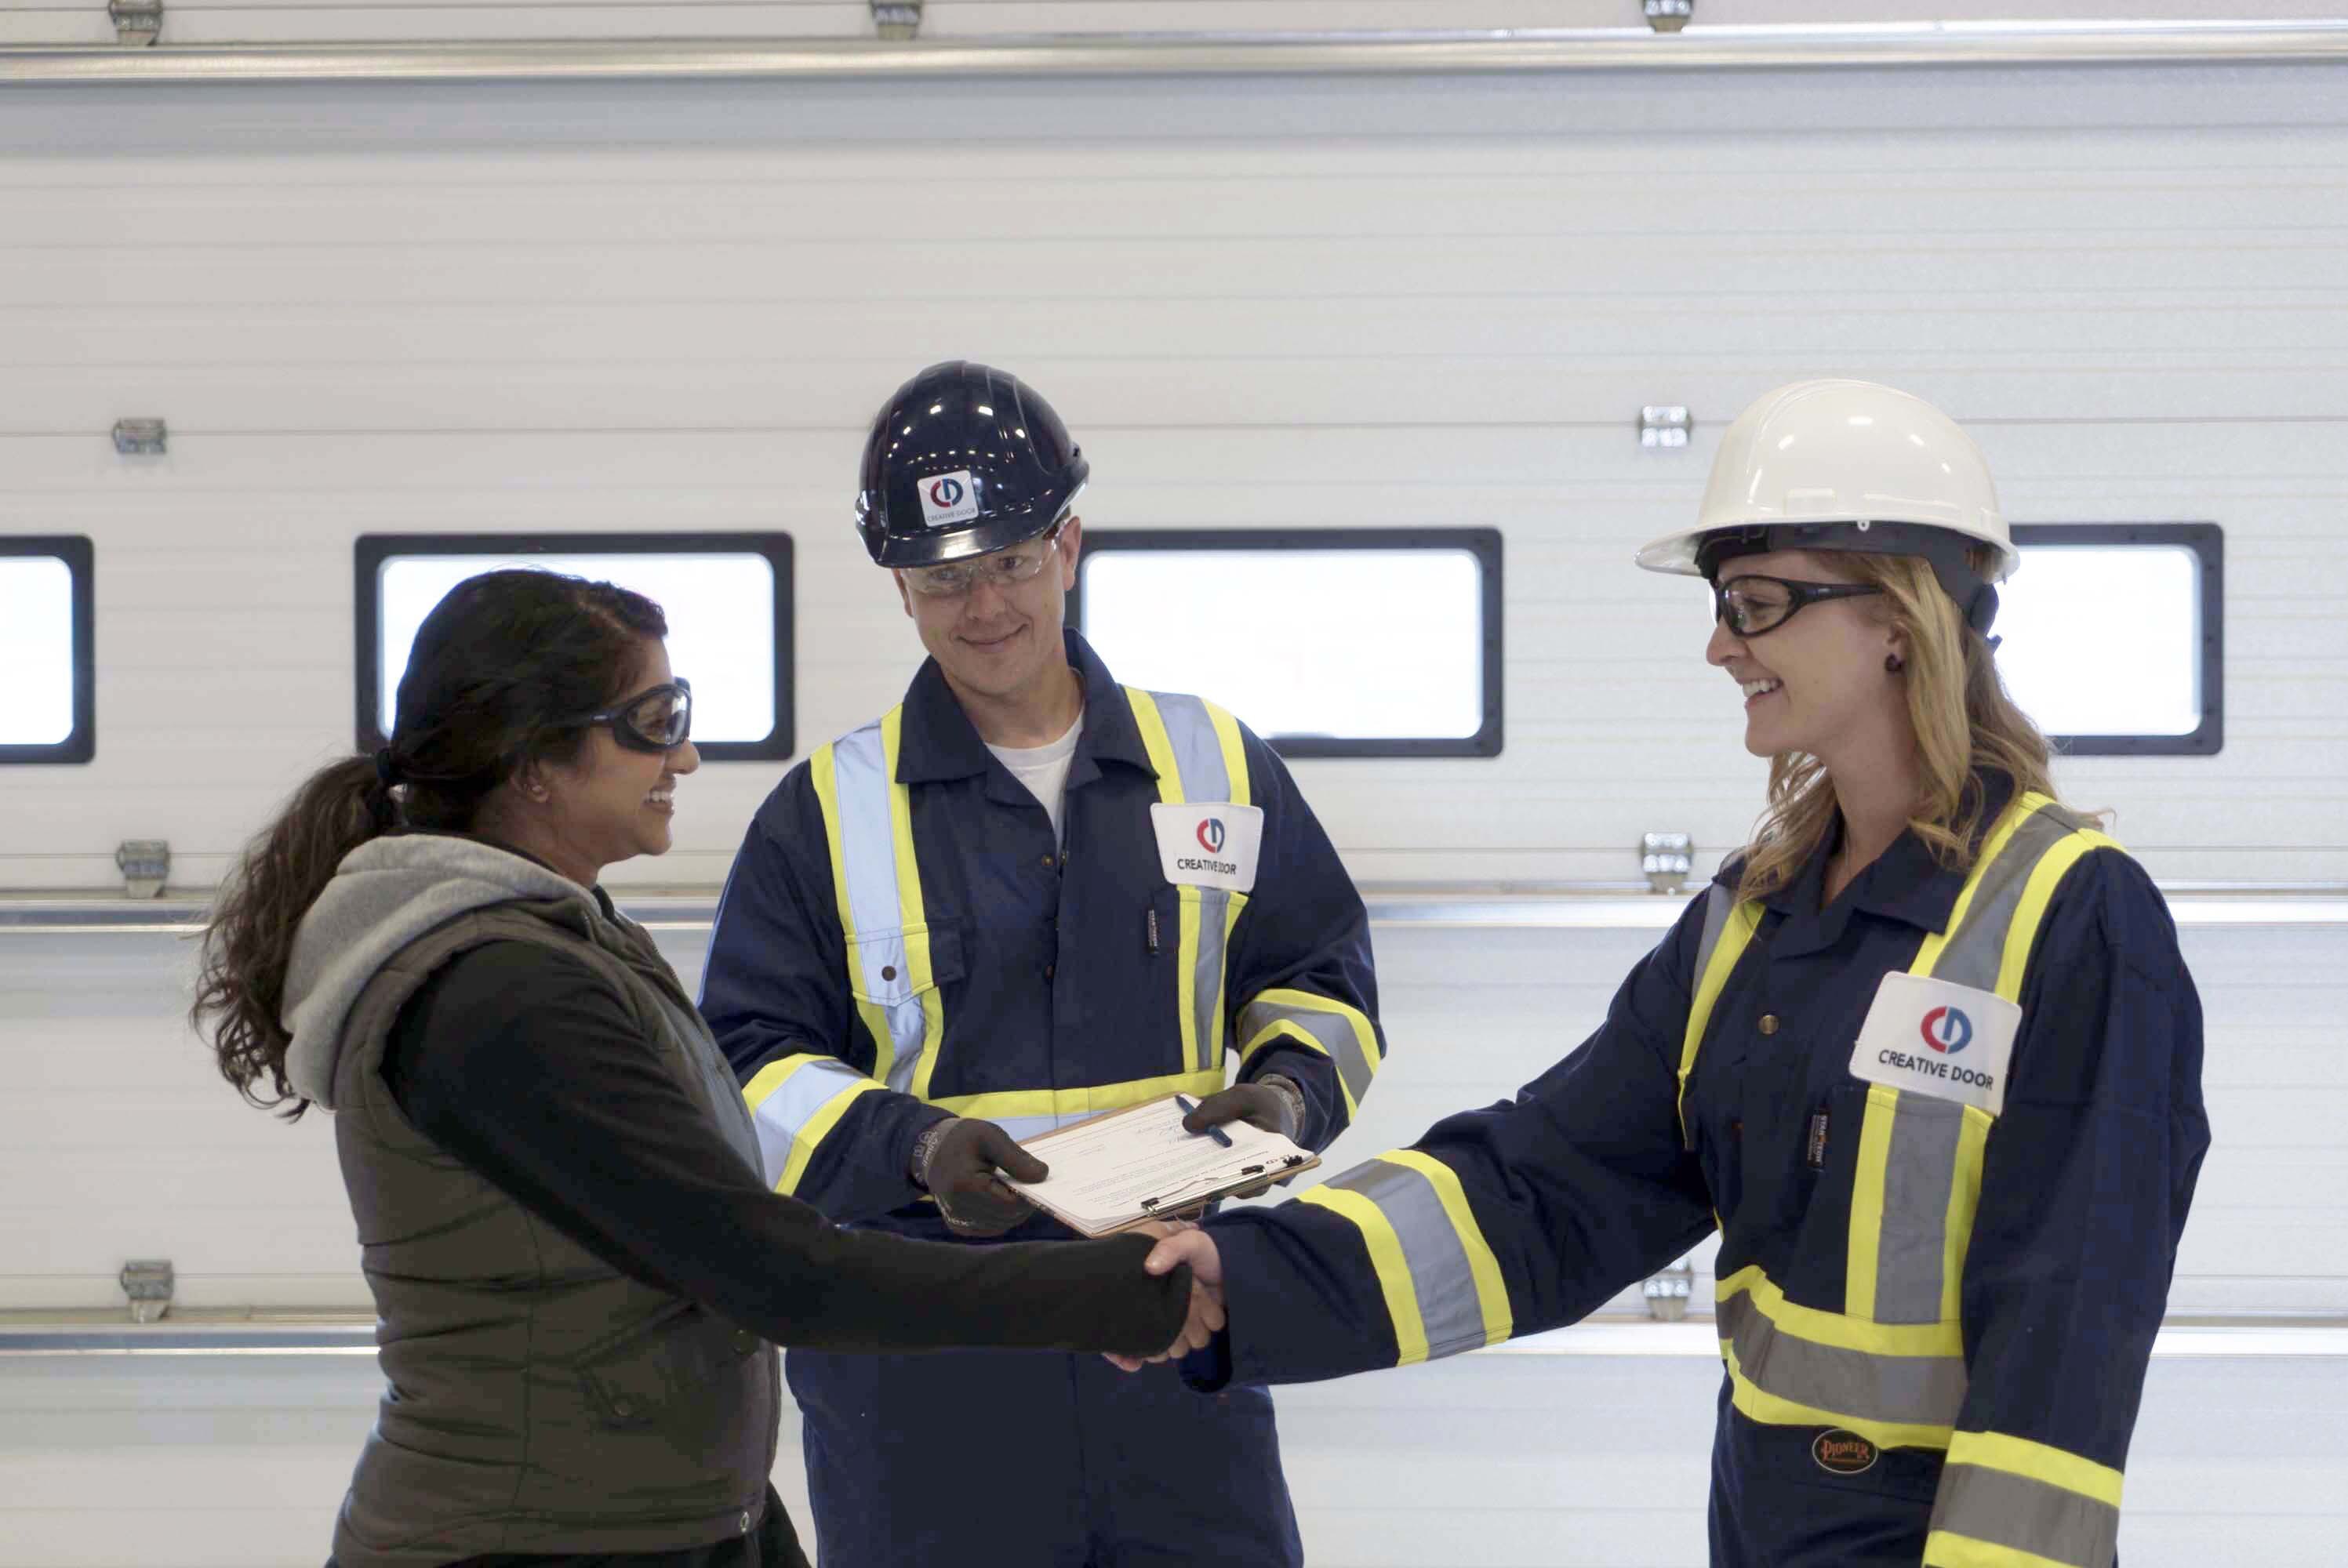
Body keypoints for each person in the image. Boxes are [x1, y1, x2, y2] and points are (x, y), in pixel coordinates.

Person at [1130, 379, 2211, 1568]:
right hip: (1758, 1517)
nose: (1718, 645)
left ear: (1898, 615)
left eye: (1754, 604)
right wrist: (1252, 1275)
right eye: (1720, 606)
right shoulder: (1753, 918)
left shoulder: (2072, 920)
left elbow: (2065, 1340)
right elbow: (1547, 1184)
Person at [189, 568, 1217, 1568]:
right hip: (528, 1541)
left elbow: (675, 1271)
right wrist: (1096, 1291)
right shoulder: (498, 997)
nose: (681, 757)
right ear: (534, 761)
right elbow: (772, 1272)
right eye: (648, 721)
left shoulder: (561, 948)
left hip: (662, 1521)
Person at [700, 361, 1385, 1567]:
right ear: (901, 587)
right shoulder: (823, 812)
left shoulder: (1213, 764)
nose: (982, 606)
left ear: (1068, 543)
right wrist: (914, 1148)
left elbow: (1320, 978)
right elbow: (748, 1068)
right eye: (941, 578)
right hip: (922, 1367)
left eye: (1009, 559)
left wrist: (1287, 1089)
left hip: (1168, 1328)